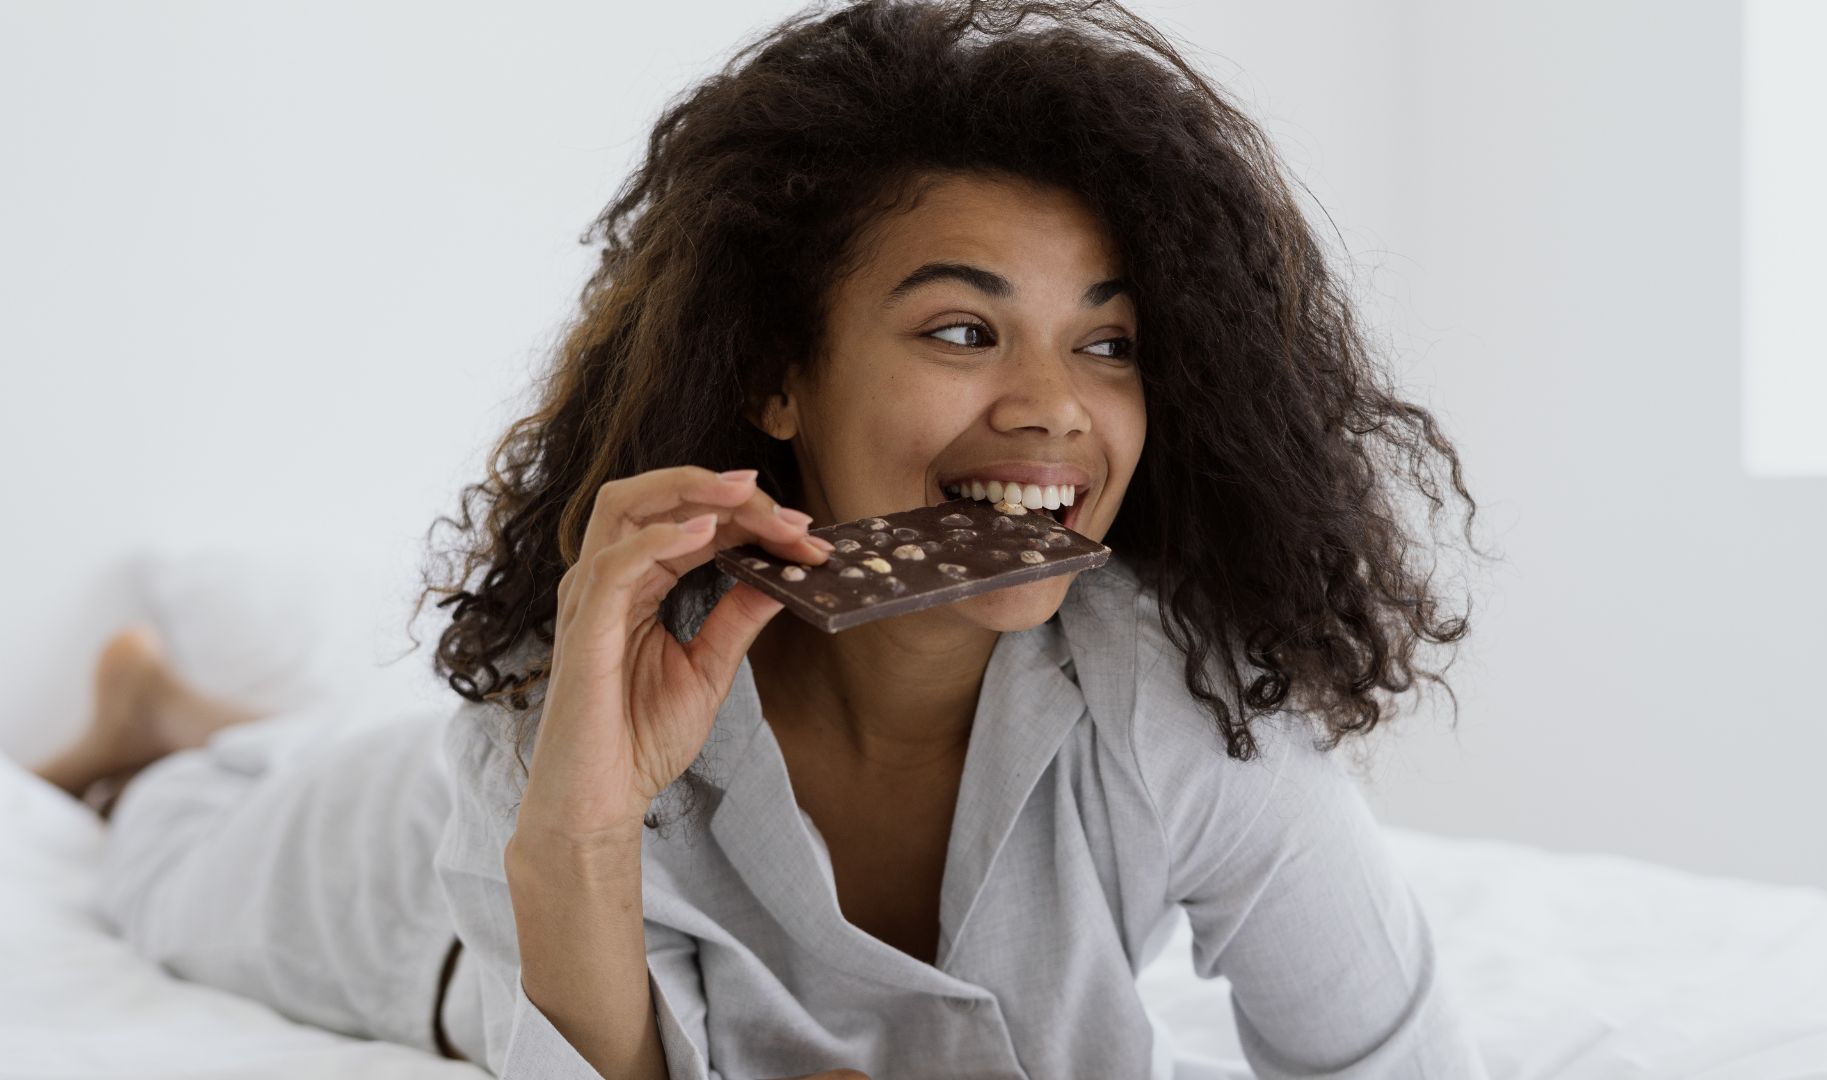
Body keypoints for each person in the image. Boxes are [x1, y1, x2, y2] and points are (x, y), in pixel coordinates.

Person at [36, 1, 1498, 1077]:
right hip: (433, 885)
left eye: (1108, 344)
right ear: (776, 373)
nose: (1054, 406)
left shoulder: (1182, 705)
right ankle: (166, 731)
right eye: (962, 328)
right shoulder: (578, 690)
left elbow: (1393, 1060)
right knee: (173, 850)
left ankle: (191, 710)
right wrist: (585, 817)